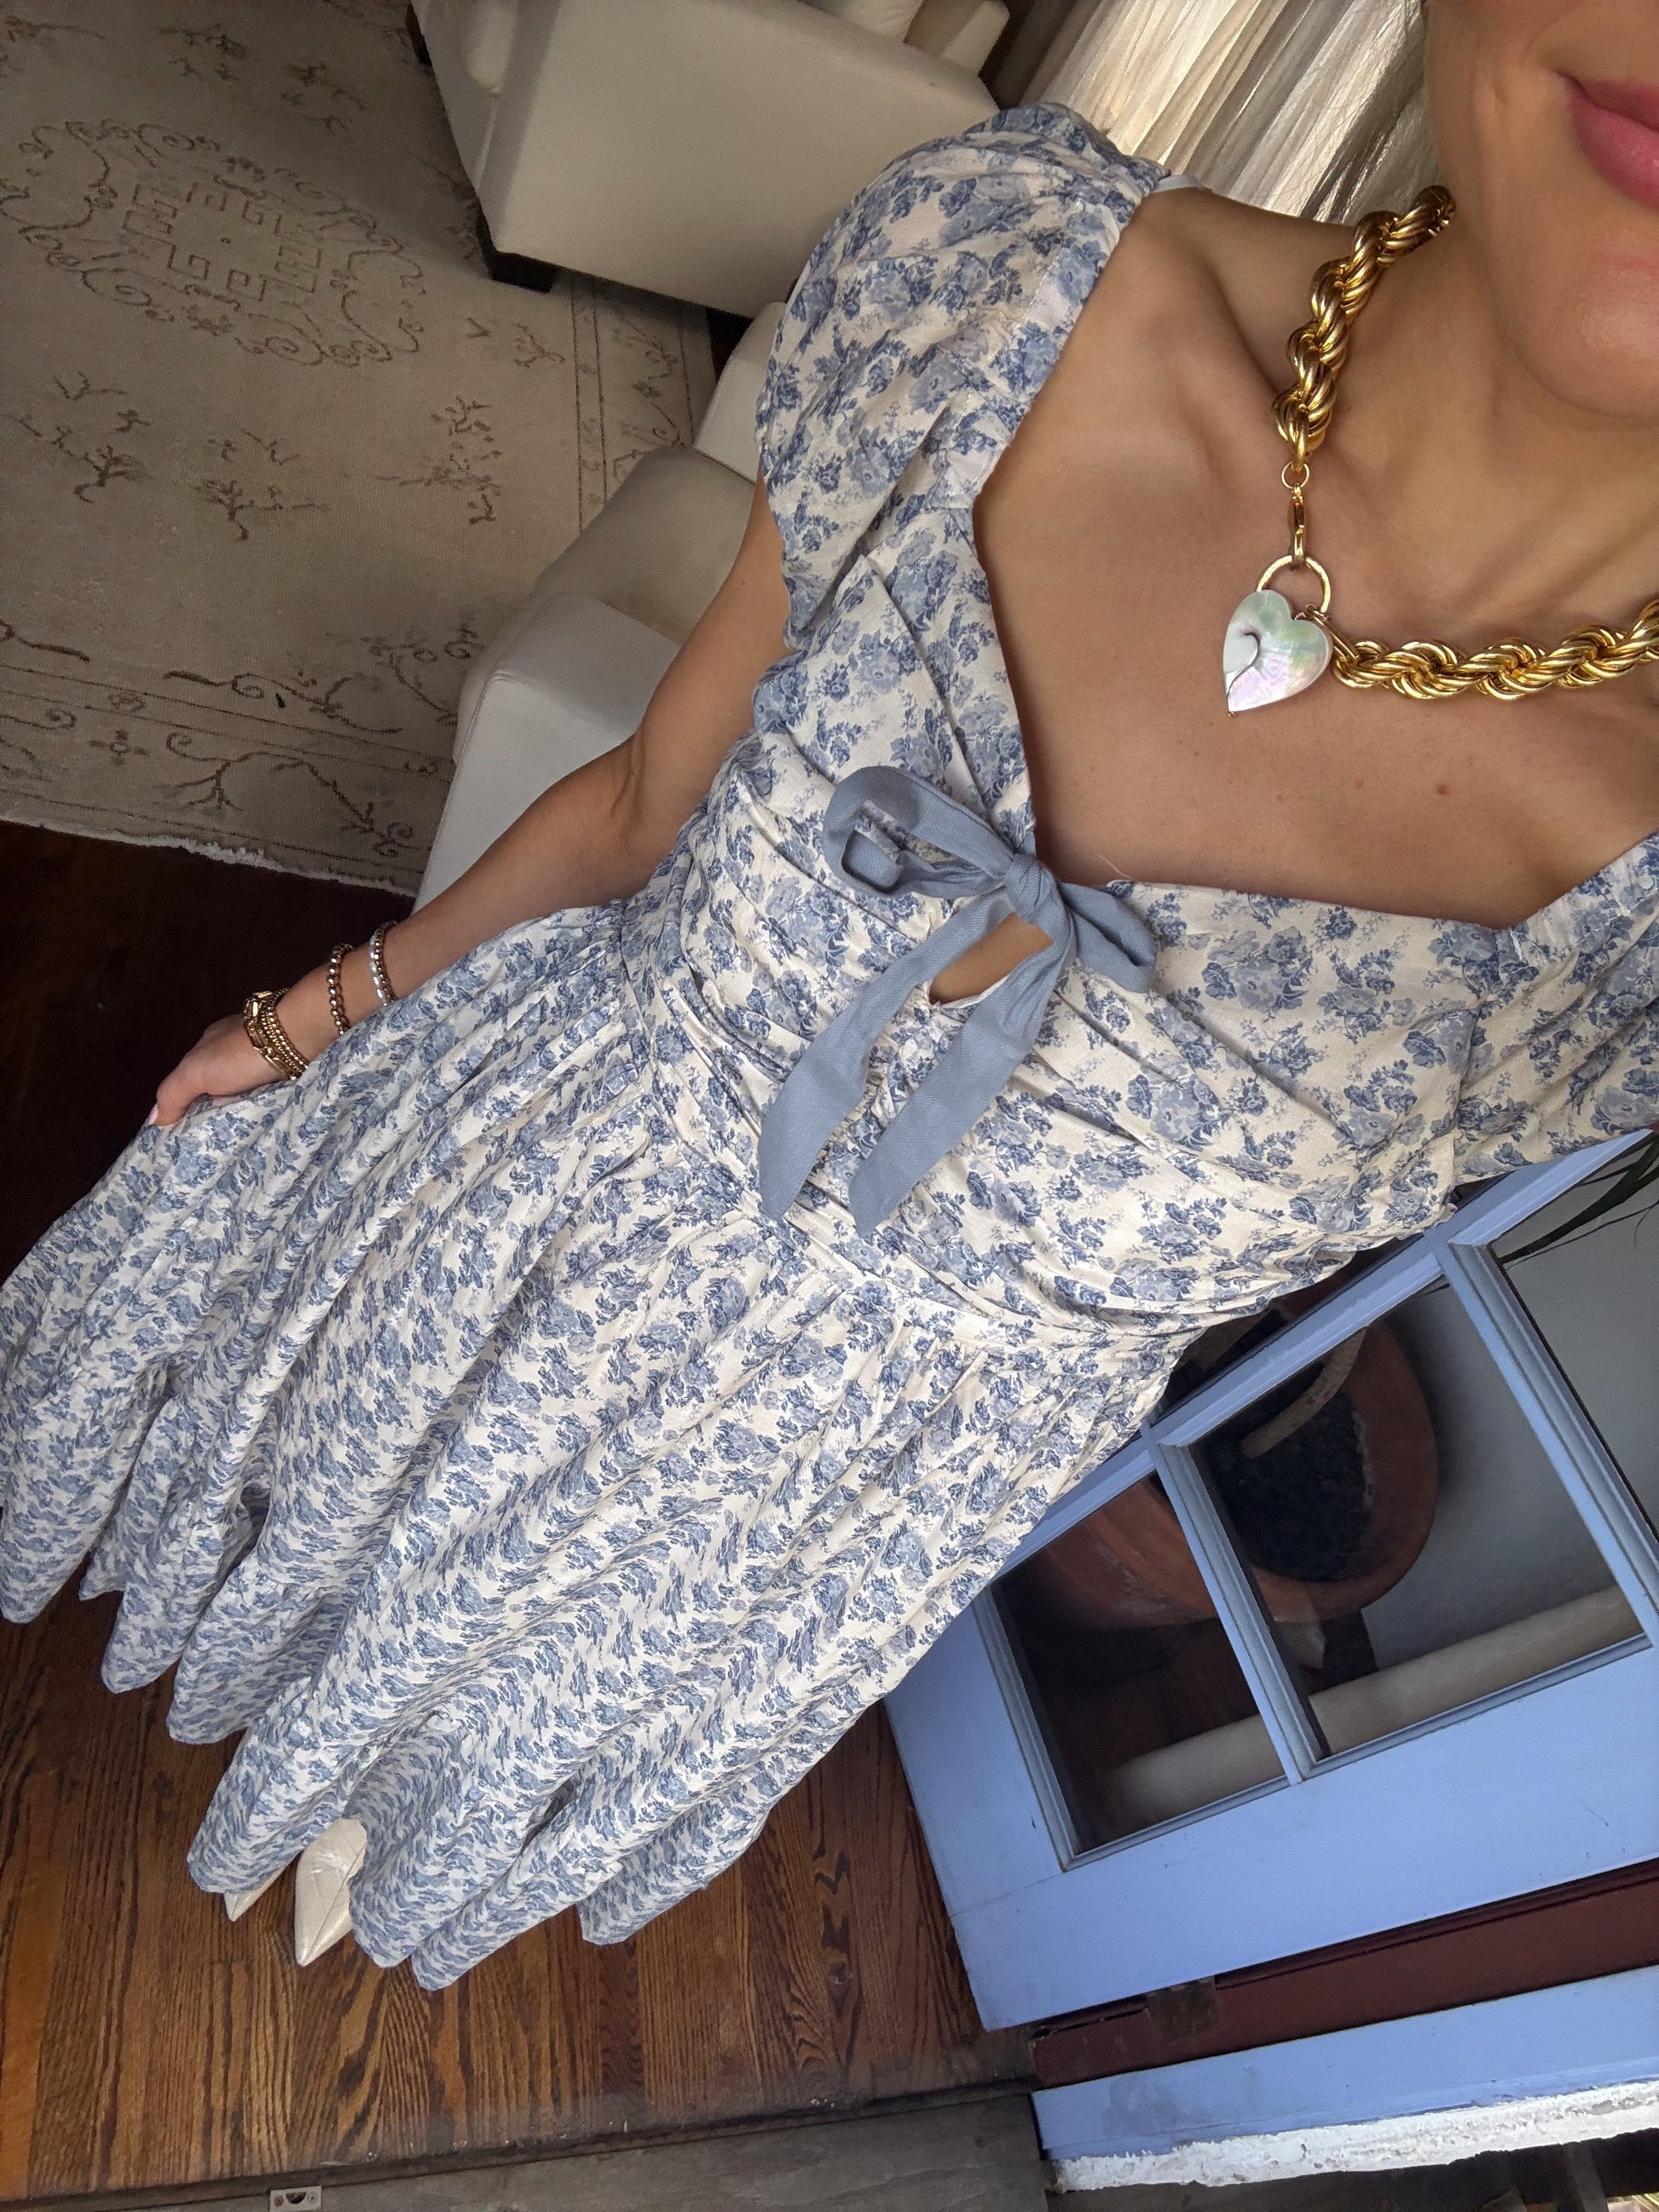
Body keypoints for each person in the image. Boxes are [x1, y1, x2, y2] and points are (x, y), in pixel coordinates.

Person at [3, 0, 1656, 1988]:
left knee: (418, 1755)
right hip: (487, 1216)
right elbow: (642, 797)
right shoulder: (1000, 275)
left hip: (760, 1524)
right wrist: (315, 1013)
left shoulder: (1634, 936)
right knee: (284, 1533)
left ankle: (347, 1803)